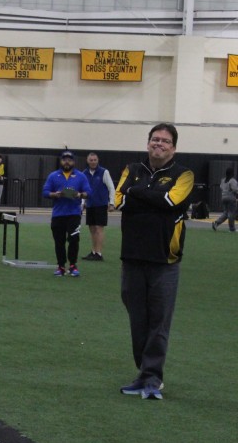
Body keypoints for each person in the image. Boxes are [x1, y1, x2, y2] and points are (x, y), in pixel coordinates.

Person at [114, 123, 194, 400]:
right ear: (148, 143)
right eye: (155, 139)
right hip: (132, 257)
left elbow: (171, 202)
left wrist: (136, 193)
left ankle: (151, 377)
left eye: (165, 141)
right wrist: (152, 199)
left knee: (159, 321)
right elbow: (119, 201)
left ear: (174, 147)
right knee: (138, 320)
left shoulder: (184, 174)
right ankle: (145, 373)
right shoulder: (132, 169)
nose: (159, 144)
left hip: (165, 261)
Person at [43, 150, 90, 277]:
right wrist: (54, 194)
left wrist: (80, 194)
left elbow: (88, 192)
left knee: (74, 240)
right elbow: (45, 192)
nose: (67, 162)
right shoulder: (53, 176)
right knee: (59, 241)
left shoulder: (81, 176)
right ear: (61, 161)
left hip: (74, 214)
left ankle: (73, 265)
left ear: (73, 162)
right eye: (64, 160)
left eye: (69, 160)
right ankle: (61, 266)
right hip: (58, 214)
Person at [82, 153, 116, 260]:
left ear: (98, 160)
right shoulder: (84, 173)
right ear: (87, 161)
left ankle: (99, 253)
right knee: (92, 229)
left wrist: (112, 203)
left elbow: (111, 188)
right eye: (91, 160)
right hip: (90, 205)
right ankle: (93, 252)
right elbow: (82, 189)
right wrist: (82, 203)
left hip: (101, 204)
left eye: (95, 160)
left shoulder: (104, 172)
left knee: (99, 228)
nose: (93, 162)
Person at [212, 167, 237, 232]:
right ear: (232, 173)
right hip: (231, 198)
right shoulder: (232, 180)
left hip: (223, 198)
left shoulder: (223, 180)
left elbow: (221, 187)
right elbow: (235, 189)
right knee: (231, 213)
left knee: (226, 213)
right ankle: (232, 229)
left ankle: (216, 223)